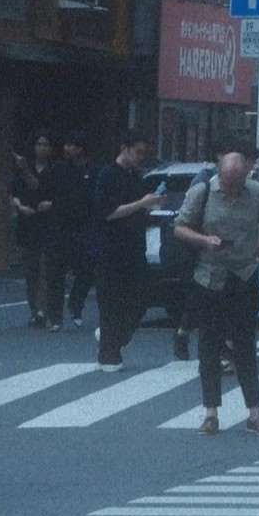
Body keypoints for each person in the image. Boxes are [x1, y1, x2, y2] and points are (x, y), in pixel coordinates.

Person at [175, 140, 259, 435]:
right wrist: (205, 241)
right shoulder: (202, 191)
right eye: (228, 184)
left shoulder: (258, 193)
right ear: (220, 173)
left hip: (244, 274)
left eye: (238, 183)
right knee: (209, 345)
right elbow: (181, 227)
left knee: (245, 346)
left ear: (246, 174)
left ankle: (255, 412)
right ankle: (210, 412)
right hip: (210, 275)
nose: (232, 190)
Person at [91, 133, 161, 367]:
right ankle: (109, 355)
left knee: (140, 298)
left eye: (144, 153)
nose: (141, 158)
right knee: (111, 303)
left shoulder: (136, 177)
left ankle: (114, 338)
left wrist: (148, 207)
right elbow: (109, 212)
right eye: (138, 152)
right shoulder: (108, 175)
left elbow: (135, 209)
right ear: (124, 148)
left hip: (134, 248)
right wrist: (142, 203)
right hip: (110, 249)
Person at [46, 133, 95, 329]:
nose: (66, 148)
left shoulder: (93, 171)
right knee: (55, 273)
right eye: (65, 144)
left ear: (80, 149)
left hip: (84, 229)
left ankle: (75, 303)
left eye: (71, 145)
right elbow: (48, 191)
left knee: (88, 271)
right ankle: (55, 318)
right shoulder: (59, 169)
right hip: (60, 228)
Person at [10, 135, 58, 329]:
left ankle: (43, 310)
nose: (42, 148)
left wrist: (51, 204)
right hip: (27, 224)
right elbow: (13, 195)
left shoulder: (54, 170)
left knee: (45, 270)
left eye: (46, 144)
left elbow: (39, 186)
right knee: (30, 271)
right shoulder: (20, 171)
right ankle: (33, 310)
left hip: (47, 225)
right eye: (39, 144)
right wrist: (20, 207)